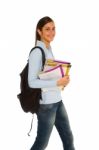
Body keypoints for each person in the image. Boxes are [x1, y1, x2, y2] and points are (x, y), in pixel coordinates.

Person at [28, 16, 75, 150]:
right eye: (47, 29)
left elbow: (46, 77)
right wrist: (56, 82)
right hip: (46, 106)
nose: (51, 32)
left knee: (68, 137)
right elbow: (32, 82)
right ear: (39, 31)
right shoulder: (37, 52)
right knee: (41, 144)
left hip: (58, 101)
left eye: (53, 28)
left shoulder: (48, 49)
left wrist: (62, 82)